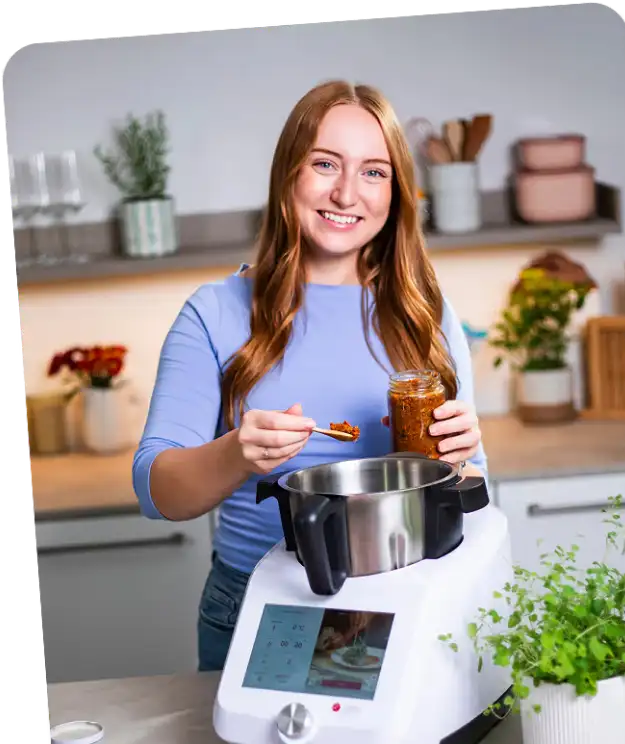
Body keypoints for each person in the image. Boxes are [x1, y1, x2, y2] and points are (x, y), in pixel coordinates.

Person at [132, 80, 488, 673]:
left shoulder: (427, 313)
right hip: (260, 604)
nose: (347, 193)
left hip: (410, 598)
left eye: (374, 172)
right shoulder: (216, 312)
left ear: (397, 192)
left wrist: (462, 461)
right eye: (325, 164)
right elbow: (155, 489)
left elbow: (473, 494)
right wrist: (236, 454)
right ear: (288, 174)